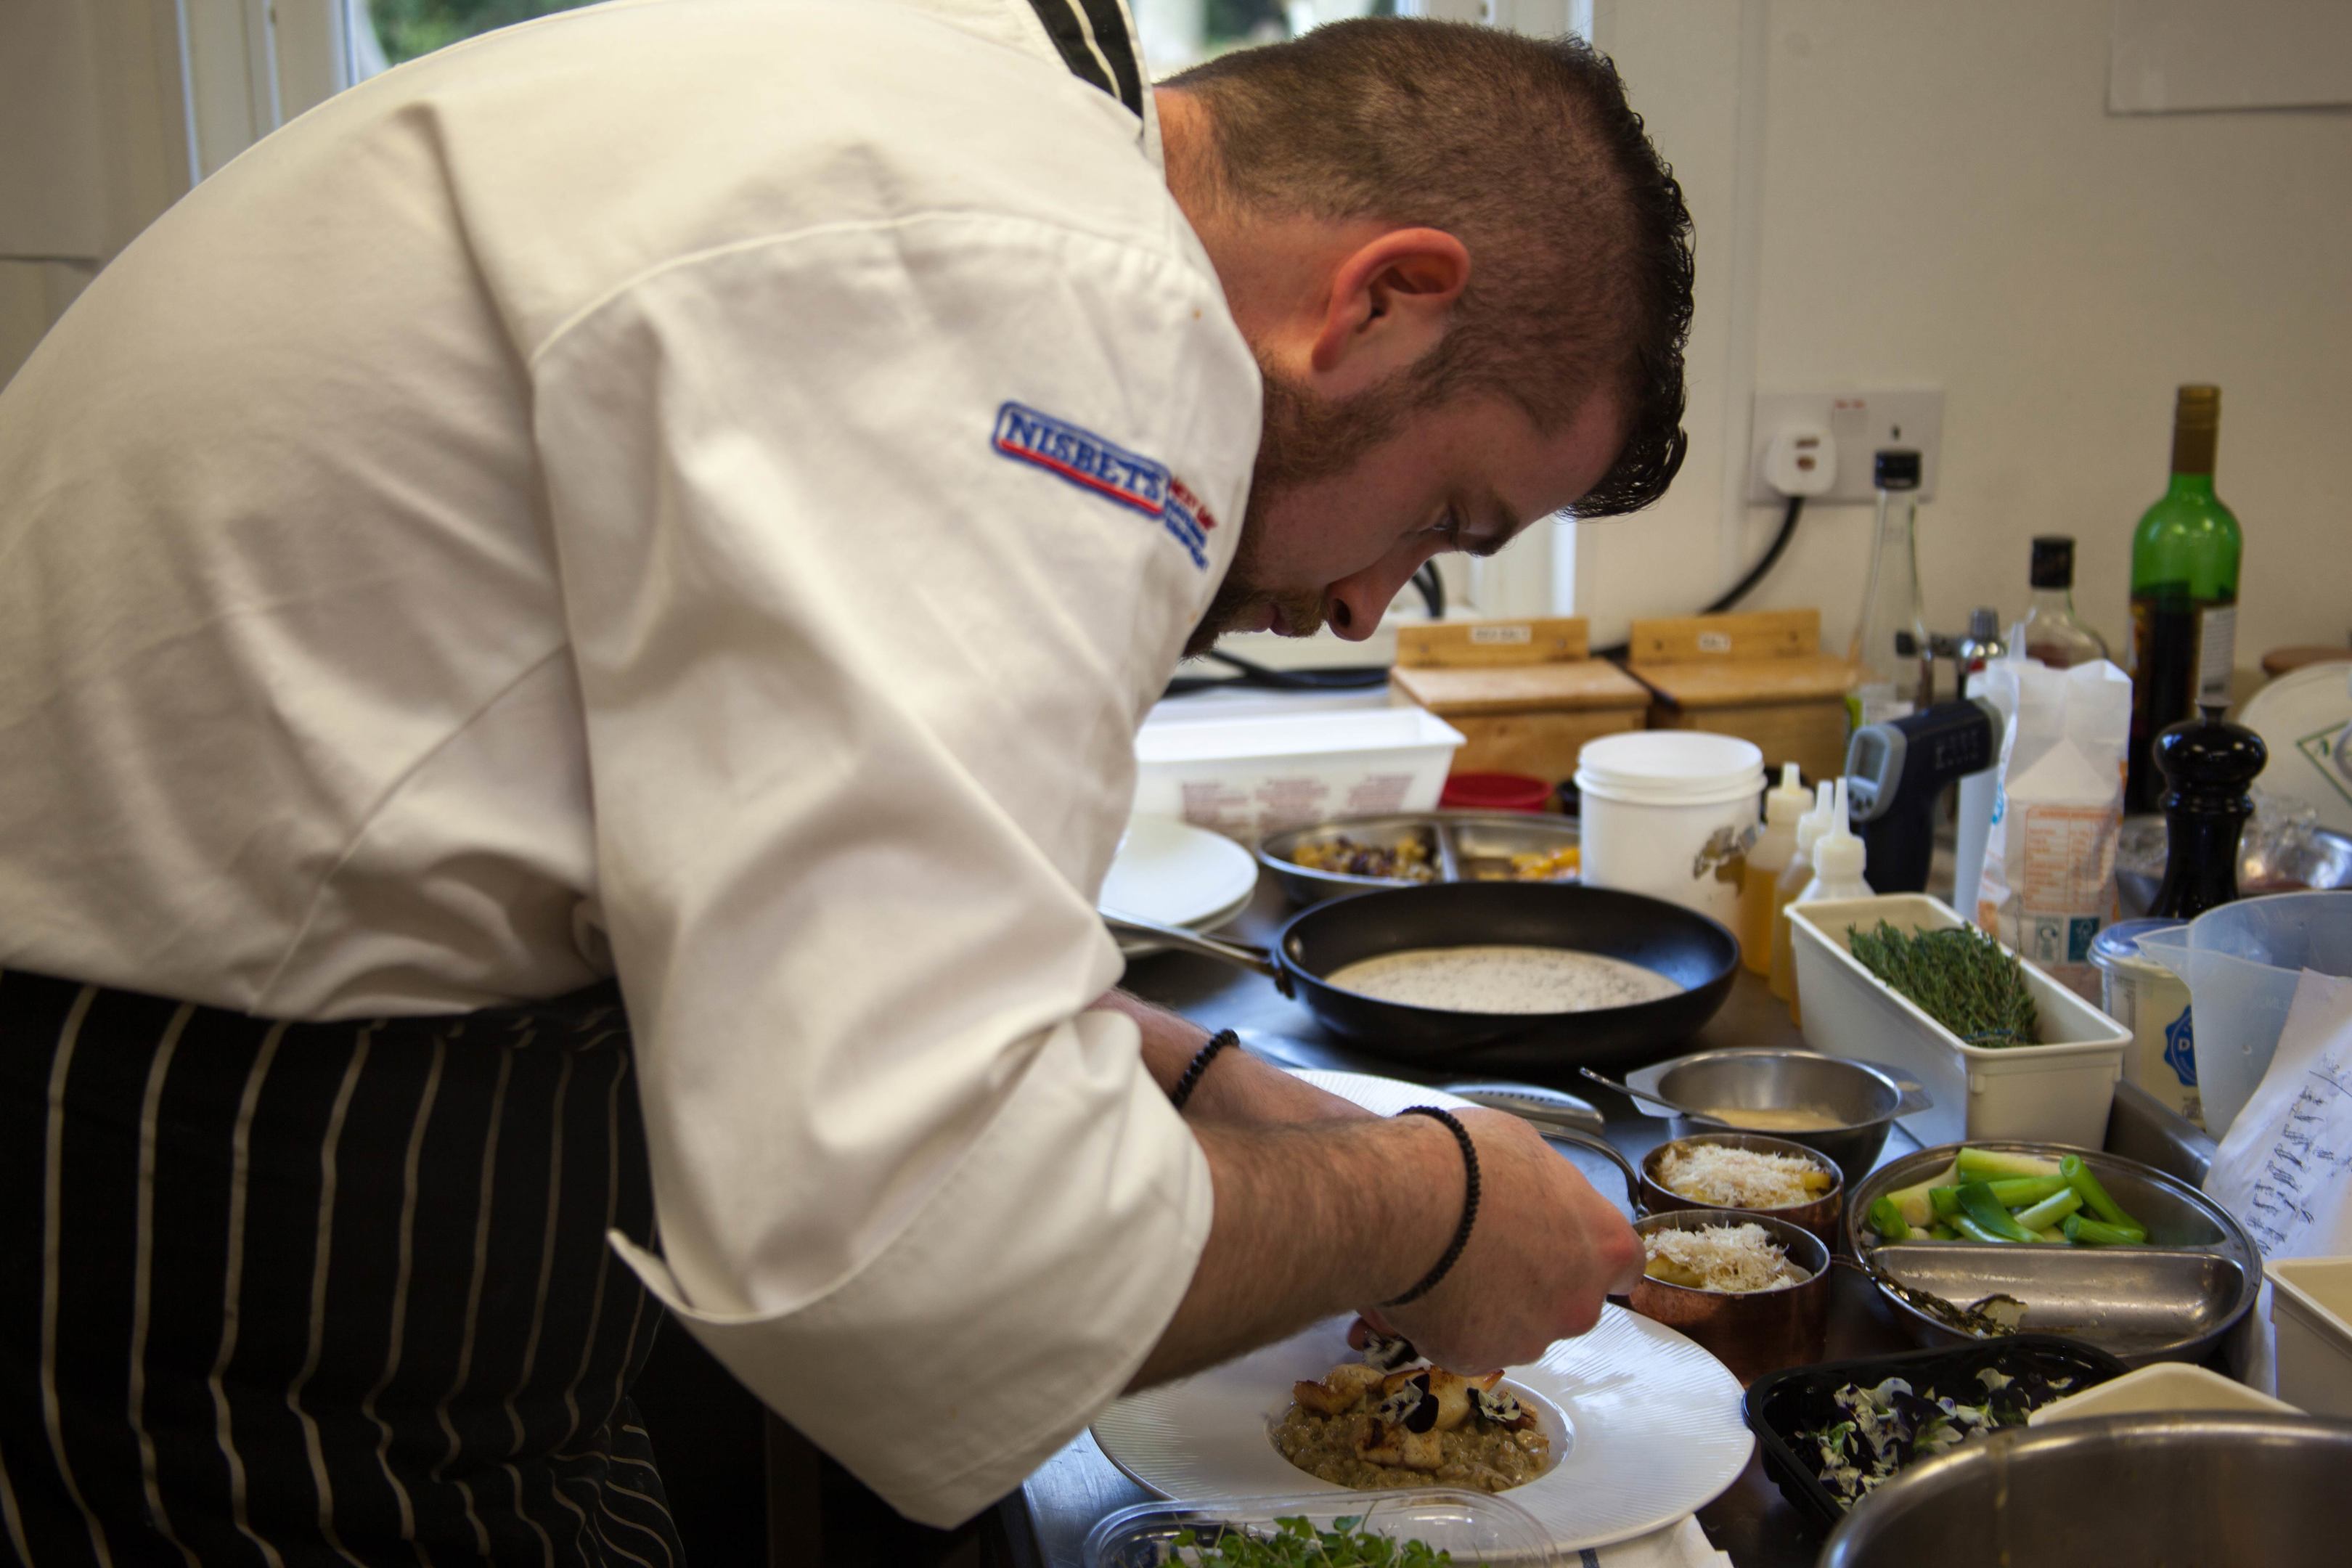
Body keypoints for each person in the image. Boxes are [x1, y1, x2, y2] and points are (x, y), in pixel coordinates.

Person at [0, 0, 1693, 1559]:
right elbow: (928, 1238)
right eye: (1442, 521)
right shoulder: (1065, 297)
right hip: (195, 1278)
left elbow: (825, 938)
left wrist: (1235, 1098)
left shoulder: (947, 138)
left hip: (354, 1204)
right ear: (1382, 301)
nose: (1362, 606)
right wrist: (1433, 1206)